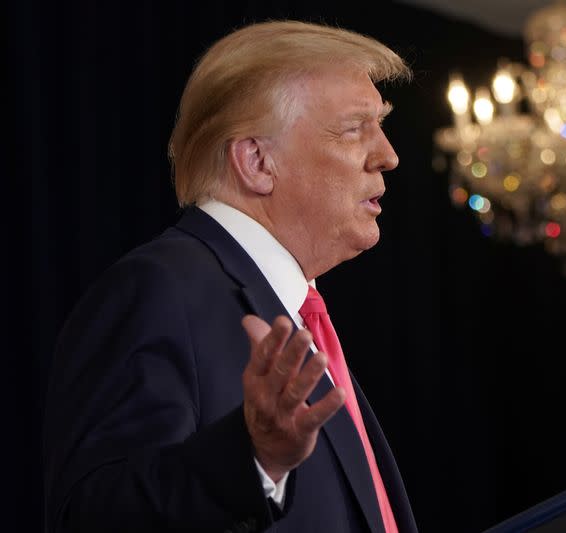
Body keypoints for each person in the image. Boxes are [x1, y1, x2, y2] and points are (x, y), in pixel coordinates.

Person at [43, 21, 416, 533]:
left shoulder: (295, 311)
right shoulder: (159, 289)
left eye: (381, 125)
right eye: (355, 128)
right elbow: (94, 517)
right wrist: (252, 458)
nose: (388, 156)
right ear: (257, 161)